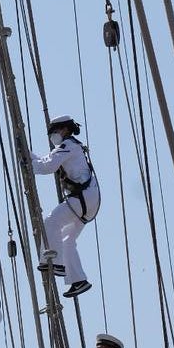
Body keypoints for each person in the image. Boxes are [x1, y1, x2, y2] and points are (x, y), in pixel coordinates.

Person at [31, 114, 100, 299]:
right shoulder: (72, 146)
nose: (52, 136)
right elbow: (45, 160)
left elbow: (47, 167)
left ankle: (56, 264)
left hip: (81, 198)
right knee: (67, 240)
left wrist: (27, 163)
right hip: (90, 200)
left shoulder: (67, 145)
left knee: (51, 222)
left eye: (53, 132)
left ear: (63, 129)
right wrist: (29, 156)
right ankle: (79, 280)